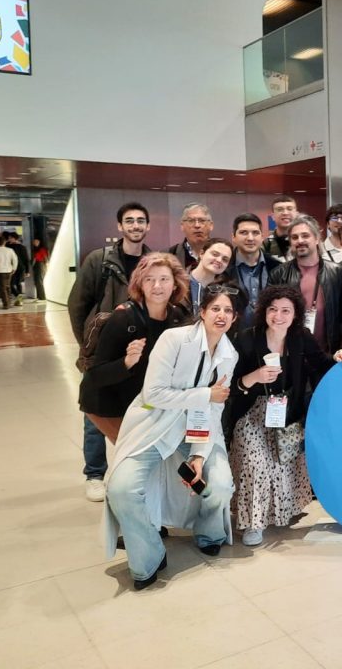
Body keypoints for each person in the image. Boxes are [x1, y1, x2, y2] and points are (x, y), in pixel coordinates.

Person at [104, 286, 240, 590]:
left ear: (235, 317)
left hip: (196, 431)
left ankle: (209, 533)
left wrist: (199, 454)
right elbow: (153, 393)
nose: (221, 315)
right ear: (202, 312)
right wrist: (206, 393)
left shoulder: (230, 355)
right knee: (121, 488)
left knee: (218, 486)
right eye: (215, 308)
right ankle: (149, 555)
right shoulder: (174, 340)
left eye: (228, 310)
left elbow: (213, 410)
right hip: (154, 426)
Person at [228, 284, 342, 546]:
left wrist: (341, 354)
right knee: (255, 464)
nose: (278, 316)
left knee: (281, 462)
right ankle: (253, 522)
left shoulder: (301, 337)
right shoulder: (246, 339)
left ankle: (277, 511)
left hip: (286, 412)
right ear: (264, 311)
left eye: (286, 310)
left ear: (295, 313)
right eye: (273, 309)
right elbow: (231, 387)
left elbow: (323, 363)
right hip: (250, 414)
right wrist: (254, 377)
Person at [69, 202, 152, 501]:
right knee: (95, 409)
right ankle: (94, 473)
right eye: (129, 221)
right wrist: (88, 346)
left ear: (148, 226)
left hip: (136, 350)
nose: (135, 226)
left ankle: (130, 467)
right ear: (119, 226)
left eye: (141, 221)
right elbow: (77, 305)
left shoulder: (152, 262)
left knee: (132, 410)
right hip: (102, 349)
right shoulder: (100, 260)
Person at [79, 253, 192, 443]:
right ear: (140, 284)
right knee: (133, 452)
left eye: (164, 279)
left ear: (175, 284)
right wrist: (126, 362)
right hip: (108, 401)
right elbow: (96, 374)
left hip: (144, 400)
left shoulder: (177, 316)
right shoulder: (124, 318)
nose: (157, 286)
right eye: (149, 279)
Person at [268, 215, 342, 354]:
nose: (300, 241)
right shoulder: (278, 274)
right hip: (291, 352)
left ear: (317, 238)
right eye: (294, 237)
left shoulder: (337, 272)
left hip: (328, 352)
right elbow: (270, 315)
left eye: (305, 236)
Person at [224, 213, 280, 328]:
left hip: (269, 335)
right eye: (243, 232)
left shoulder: (278, 267)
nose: (250, 238)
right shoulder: (223, 268)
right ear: (233, 237)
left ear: (262, 237)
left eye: (255, 233)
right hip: (232, 336)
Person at [187, 238, 234, 315]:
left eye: (225, 259)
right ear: (201, 253)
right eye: (215, 254)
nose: (219, 260)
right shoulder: (179, 284)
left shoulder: (226, 290)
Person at [168, 203, 214, 272]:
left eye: (202, 221)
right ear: (182, 226)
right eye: (191, 221)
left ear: (211, 226)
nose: (197, 225)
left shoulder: (223, 254)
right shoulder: (169, 255)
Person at [263, 195, 297, 264]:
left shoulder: (306, 241)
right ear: (273, 216)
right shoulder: (265, 245)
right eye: (280, 209)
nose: (285, 213)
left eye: (289, 209)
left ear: (296, 213)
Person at [0, 235, 18, 309]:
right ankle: (8, 302)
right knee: (8, 287)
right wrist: (14, 268)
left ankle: (6, 304)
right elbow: (15, 259)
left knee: (3, 288)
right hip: (9, 270)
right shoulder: (10, 250)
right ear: (4, 242)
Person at [5, 232, 30, 306]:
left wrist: (27, 271)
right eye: (9, 238)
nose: (9, 239)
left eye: (10, 238)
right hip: (11, 268)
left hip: (20, 268)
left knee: (18, 283)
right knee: (11, 284)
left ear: (14, 238)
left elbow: (26, 259)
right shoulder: (7, 246)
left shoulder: (21, 247)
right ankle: (19, 296)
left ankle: (19, 299)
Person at [31, 237, 49, 302]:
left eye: (36, 241)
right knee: (37, 281)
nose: (35, 243)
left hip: (41, 265)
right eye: (34, 242)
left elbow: (45, 257)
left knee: (39, 280)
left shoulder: (41, 249)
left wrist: (47, 265)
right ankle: (39, 296)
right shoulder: (35, 249)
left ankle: (42, 296)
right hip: (37, 265)